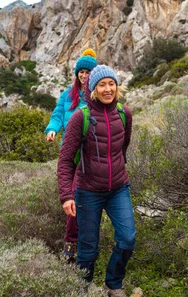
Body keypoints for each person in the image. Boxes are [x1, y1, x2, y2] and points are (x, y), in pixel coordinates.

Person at [57, 65, 135, 297]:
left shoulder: (124, 114)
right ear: (93, 89)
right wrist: (66, 195)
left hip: (118, 189)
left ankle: (113, 284)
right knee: (88, 250)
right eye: (102, 85)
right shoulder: (81, 117)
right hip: (88, 192)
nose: (108, 89)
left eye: (111, 83)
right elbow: (65, 161)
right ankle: (82, 289)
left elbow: (123, 147)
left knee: (127, 239)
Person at [45, 48, 98, 261]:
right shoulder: (68, 95)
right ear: (76, 73)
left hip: (92, 155)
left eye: (88, 72)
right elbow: (58, 114)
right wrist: (52, 128)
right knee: (75, 197)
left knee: (90, 199)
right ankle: (71, 242)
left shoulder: (96, 94)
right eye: (81, 72)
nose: (84, 75)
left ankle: (89, 240)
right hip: (72, 154)